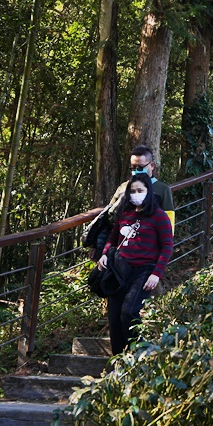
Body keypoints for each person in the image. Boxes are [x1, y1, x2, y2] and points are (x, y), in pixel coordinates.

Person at [96, 172, 173, 355]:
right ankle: (119, 361)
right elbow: (113, 238)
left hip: (144, 271)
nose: (136, 194)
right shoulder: (125, 215)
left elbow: (167, 246)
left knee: (129, 311)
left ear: (149, 191)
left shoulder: (159, 216)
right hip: (120, 270)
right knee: (114, 317)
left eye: (140, 190)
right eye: (133, 191)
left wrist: (156, 274)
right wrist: (105, 253)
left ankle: (138, 353)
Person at [85, 145, 175, 259]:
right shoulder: (123, 187)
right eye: (133, 168)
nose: (137, 171)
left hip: (148, 251)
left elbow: (169, 224)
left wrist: (163, 253)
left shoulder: (162, 190)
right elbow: (109, 215)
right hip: (122, 249)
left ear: (152, 166)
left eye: (140, 167)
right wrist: (96, 245)